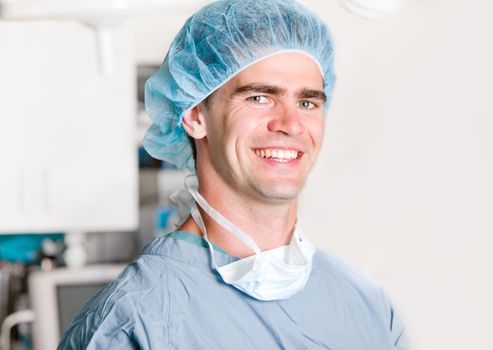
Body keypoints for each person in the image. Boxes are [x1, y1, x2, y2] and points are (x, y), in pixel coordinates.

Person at [58, 0, 408, 349]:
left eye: (307, 102)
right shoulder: (134, 323)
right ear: (195, 115)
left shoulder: (367, 305)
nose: (290, 124)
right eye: (259, 97)